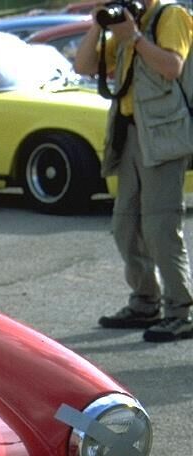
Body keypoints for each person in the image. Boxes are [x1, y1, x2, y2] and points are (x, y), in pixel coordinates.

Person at [74, 1, 193, 342]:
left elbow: (172, 67)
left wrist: (135, 37)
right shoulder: (130, 22)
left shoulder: (170, 16)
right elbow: (83, 65)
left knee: (160, 226)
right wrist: (99, 25)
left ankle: (180, 311)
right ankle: (145, 302)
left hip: (165, 136)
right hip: (130, 135)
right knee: (125, 224)